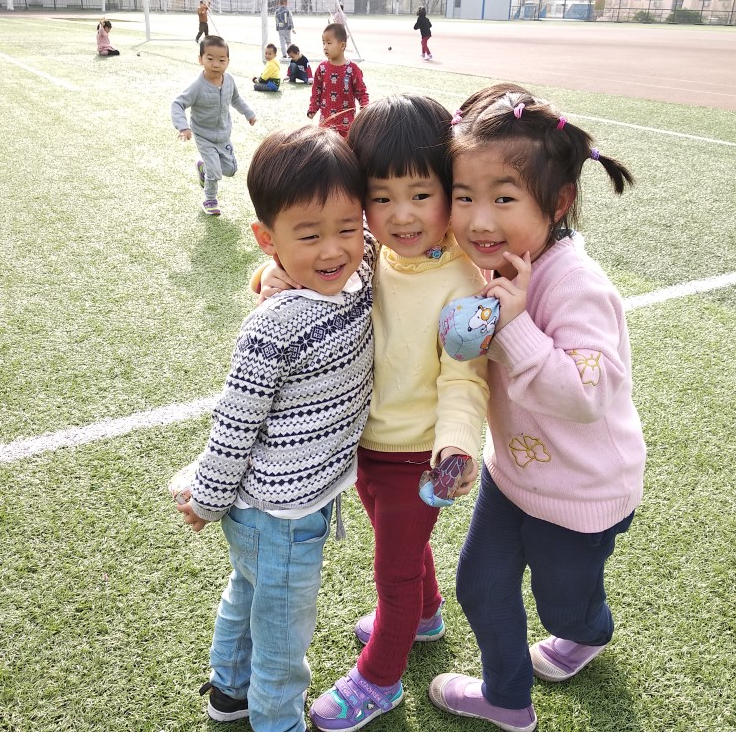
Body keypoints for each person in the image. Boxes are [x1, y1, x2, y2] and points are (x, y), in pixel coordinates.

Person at [257, 95, 489, 731]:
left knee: (393, 574)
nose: (401, 214)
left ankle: (379, 681)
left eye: (421, 194)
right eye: (381, 197)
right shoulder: (369, 251)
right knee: (404, 553)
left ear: (450, 190)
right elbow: (313, 264)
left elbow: (464, 378)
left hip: (419, 459)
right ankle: (426, 617)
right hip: (366, 446)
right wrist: (268, 277)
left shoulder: (465, 286)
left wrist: (457, 445)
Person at [426, 84, 644, 732]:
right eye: (464, 196)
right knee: (478, 584)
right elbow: (405, 259)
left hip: (582, 493)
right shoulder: (487, 260)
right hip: (512, 475)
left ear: (559, 201)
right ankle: (507, 698)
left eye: (503, 198)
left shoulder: (575, 284)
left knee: (563, 609)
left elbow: (587, 394)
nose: (478, 220)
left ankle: (589, 631)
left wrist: (517, 327)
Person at [170, 125, 376, 732]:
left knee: (249, 592)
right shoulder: (272, 327)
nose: (333, 250)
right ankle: (276, 721)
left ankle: (228, 692)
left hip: (290, 504)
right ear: (268, 239)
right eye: (308, 236)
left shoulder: (358, 276)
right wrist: (208, 499)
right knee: (283, 634)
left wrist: (272, 271)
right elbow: (235, 423)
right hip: (277, 512)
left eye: (347, 228)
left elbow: (381, 245)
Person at [171, 35, 257, 216]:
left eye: (221, 60)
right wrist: (183, 127)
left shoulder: (229, 80)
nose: (216, 64)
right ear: (200, 59)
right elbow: (178, 103)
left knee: (230, 170)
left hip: (224, 135)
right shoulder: (197, 86)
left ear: (228, 62)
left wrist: (248, 113)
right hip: (203, 135)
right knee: (215, 171)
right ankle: (209, 199)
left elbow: (236, 99)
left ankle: (203, 167)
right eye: (210, 59)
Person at [307, 24, 368, 140]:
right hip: (325, 125)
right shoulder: (322, 68)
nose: (325, 47)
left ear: (342, 45)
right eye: (323, 43)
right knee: (325, 149)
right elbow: (316, 91)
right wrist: (312, 108)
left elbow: (361, 92)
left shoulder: (352, 69)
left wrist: (364, 107)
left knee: (345, 149)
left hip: (346, 126)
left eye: (329, 43)